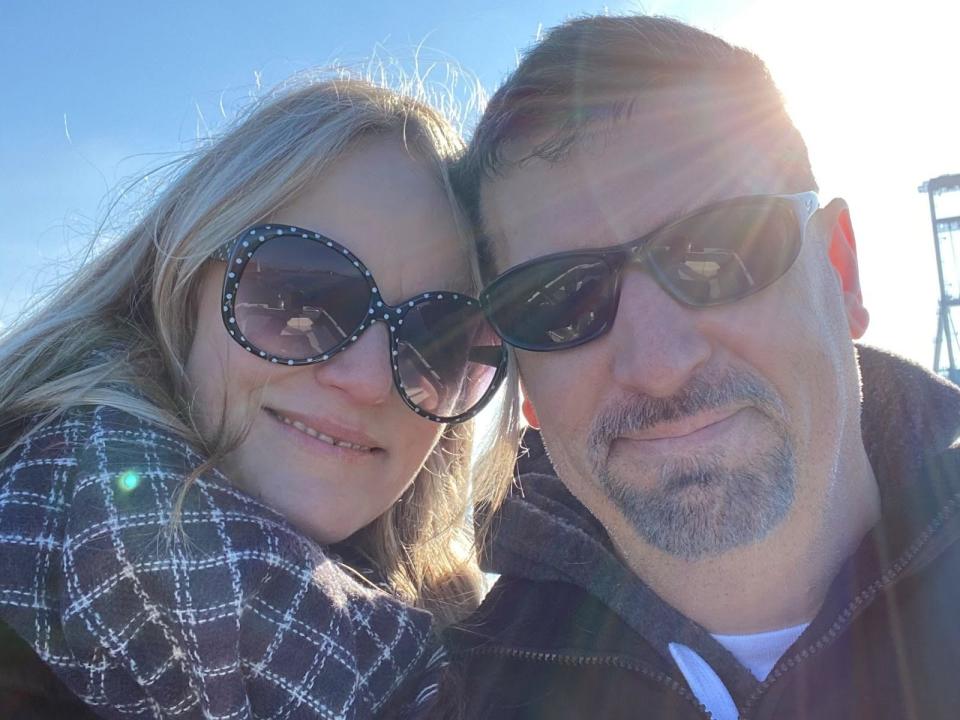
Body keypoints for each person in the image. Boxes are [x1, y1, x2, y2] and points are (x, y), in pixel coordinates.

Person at [443, 15, 960, 720]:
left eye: (720, 252)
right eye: (560, 301)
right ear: (526, 384)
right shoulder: (457, 692)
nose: (660, 364)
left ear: (841, 274)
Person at [0, 76, 515, 719]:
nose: (368, 380)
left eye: (439, 342)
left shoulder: (471, 656)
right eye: (303, 297)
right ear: (183, 283)